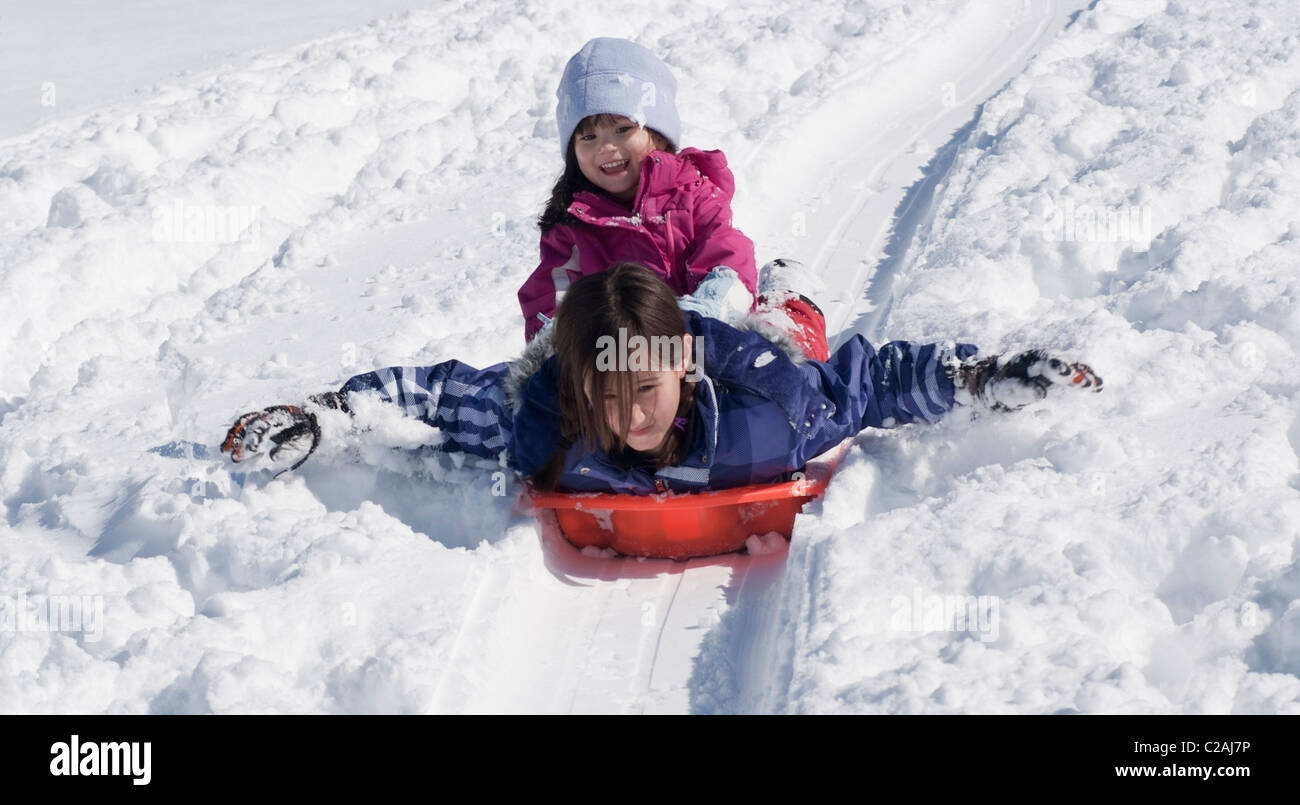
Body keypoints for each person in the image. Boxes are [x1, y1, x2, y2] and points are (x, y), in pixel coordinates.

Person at [222, 264, 1104, 495]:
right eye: (604, 400)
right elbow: (437, 394)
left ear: (679, 372)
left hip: (736, 347)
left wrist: (979, 375)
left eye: (642, 394)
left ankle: (781, 287)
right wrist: (323, 414)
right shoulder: (552, 418)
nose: (627, 418)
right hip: (640, 327)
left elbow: (870, 383)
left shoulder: (773, 416)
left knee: (787, 330)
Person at [518, 37, 761, 342]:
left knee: (773, 343)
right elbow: (552, 298)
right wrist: (562, 342)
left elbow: (725, 252)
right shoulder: (572, 227)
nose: (606, 147)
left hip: (703, 341)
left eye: (623, 129)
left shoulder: (693, 194)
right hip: (619, 357)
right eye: (589, 137)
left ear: (658, 135)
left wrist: (706, 309)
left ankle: (791, 299)